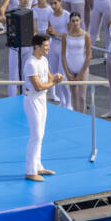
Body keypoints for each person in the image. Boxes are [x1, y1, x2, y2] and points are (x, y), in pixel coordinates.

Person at [23, 34, 64, 182]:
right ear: (37, 46)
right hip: (32, 99)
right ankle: (30, 170)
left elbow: (49, 78)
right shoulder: (31, 63)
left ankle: (38, 166)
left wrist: (56, 77)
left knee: (41, 133)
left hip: (42, 99)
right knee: (36, 135)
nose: (48, 48)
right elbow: (38, 86)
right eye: (45, 46)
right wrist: (53, 83)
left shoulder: (44, 60)